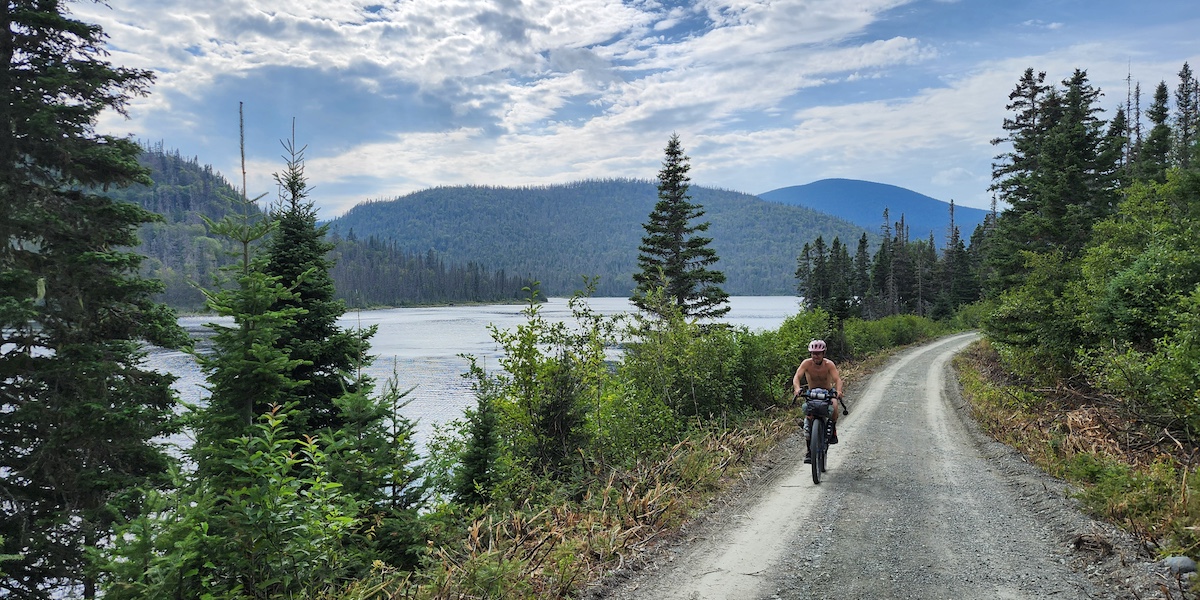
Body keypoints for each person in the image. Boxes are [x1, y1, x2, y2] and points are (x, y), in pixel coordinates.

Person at [793, 339, 843, 463]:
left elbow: (837, 379)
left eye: (818, 353)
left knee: (835, 405)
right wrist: (797, 388)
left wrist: (839, 391)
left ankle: (833, 429)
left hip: (827, 392)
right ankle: (809, 451)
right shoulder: (806, 364)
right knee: (808, 419)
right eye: (813, 353)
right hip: (812, 392)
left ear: (823, 353)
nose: (815, 356)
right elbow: (797, 377)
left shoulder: (829, 364)